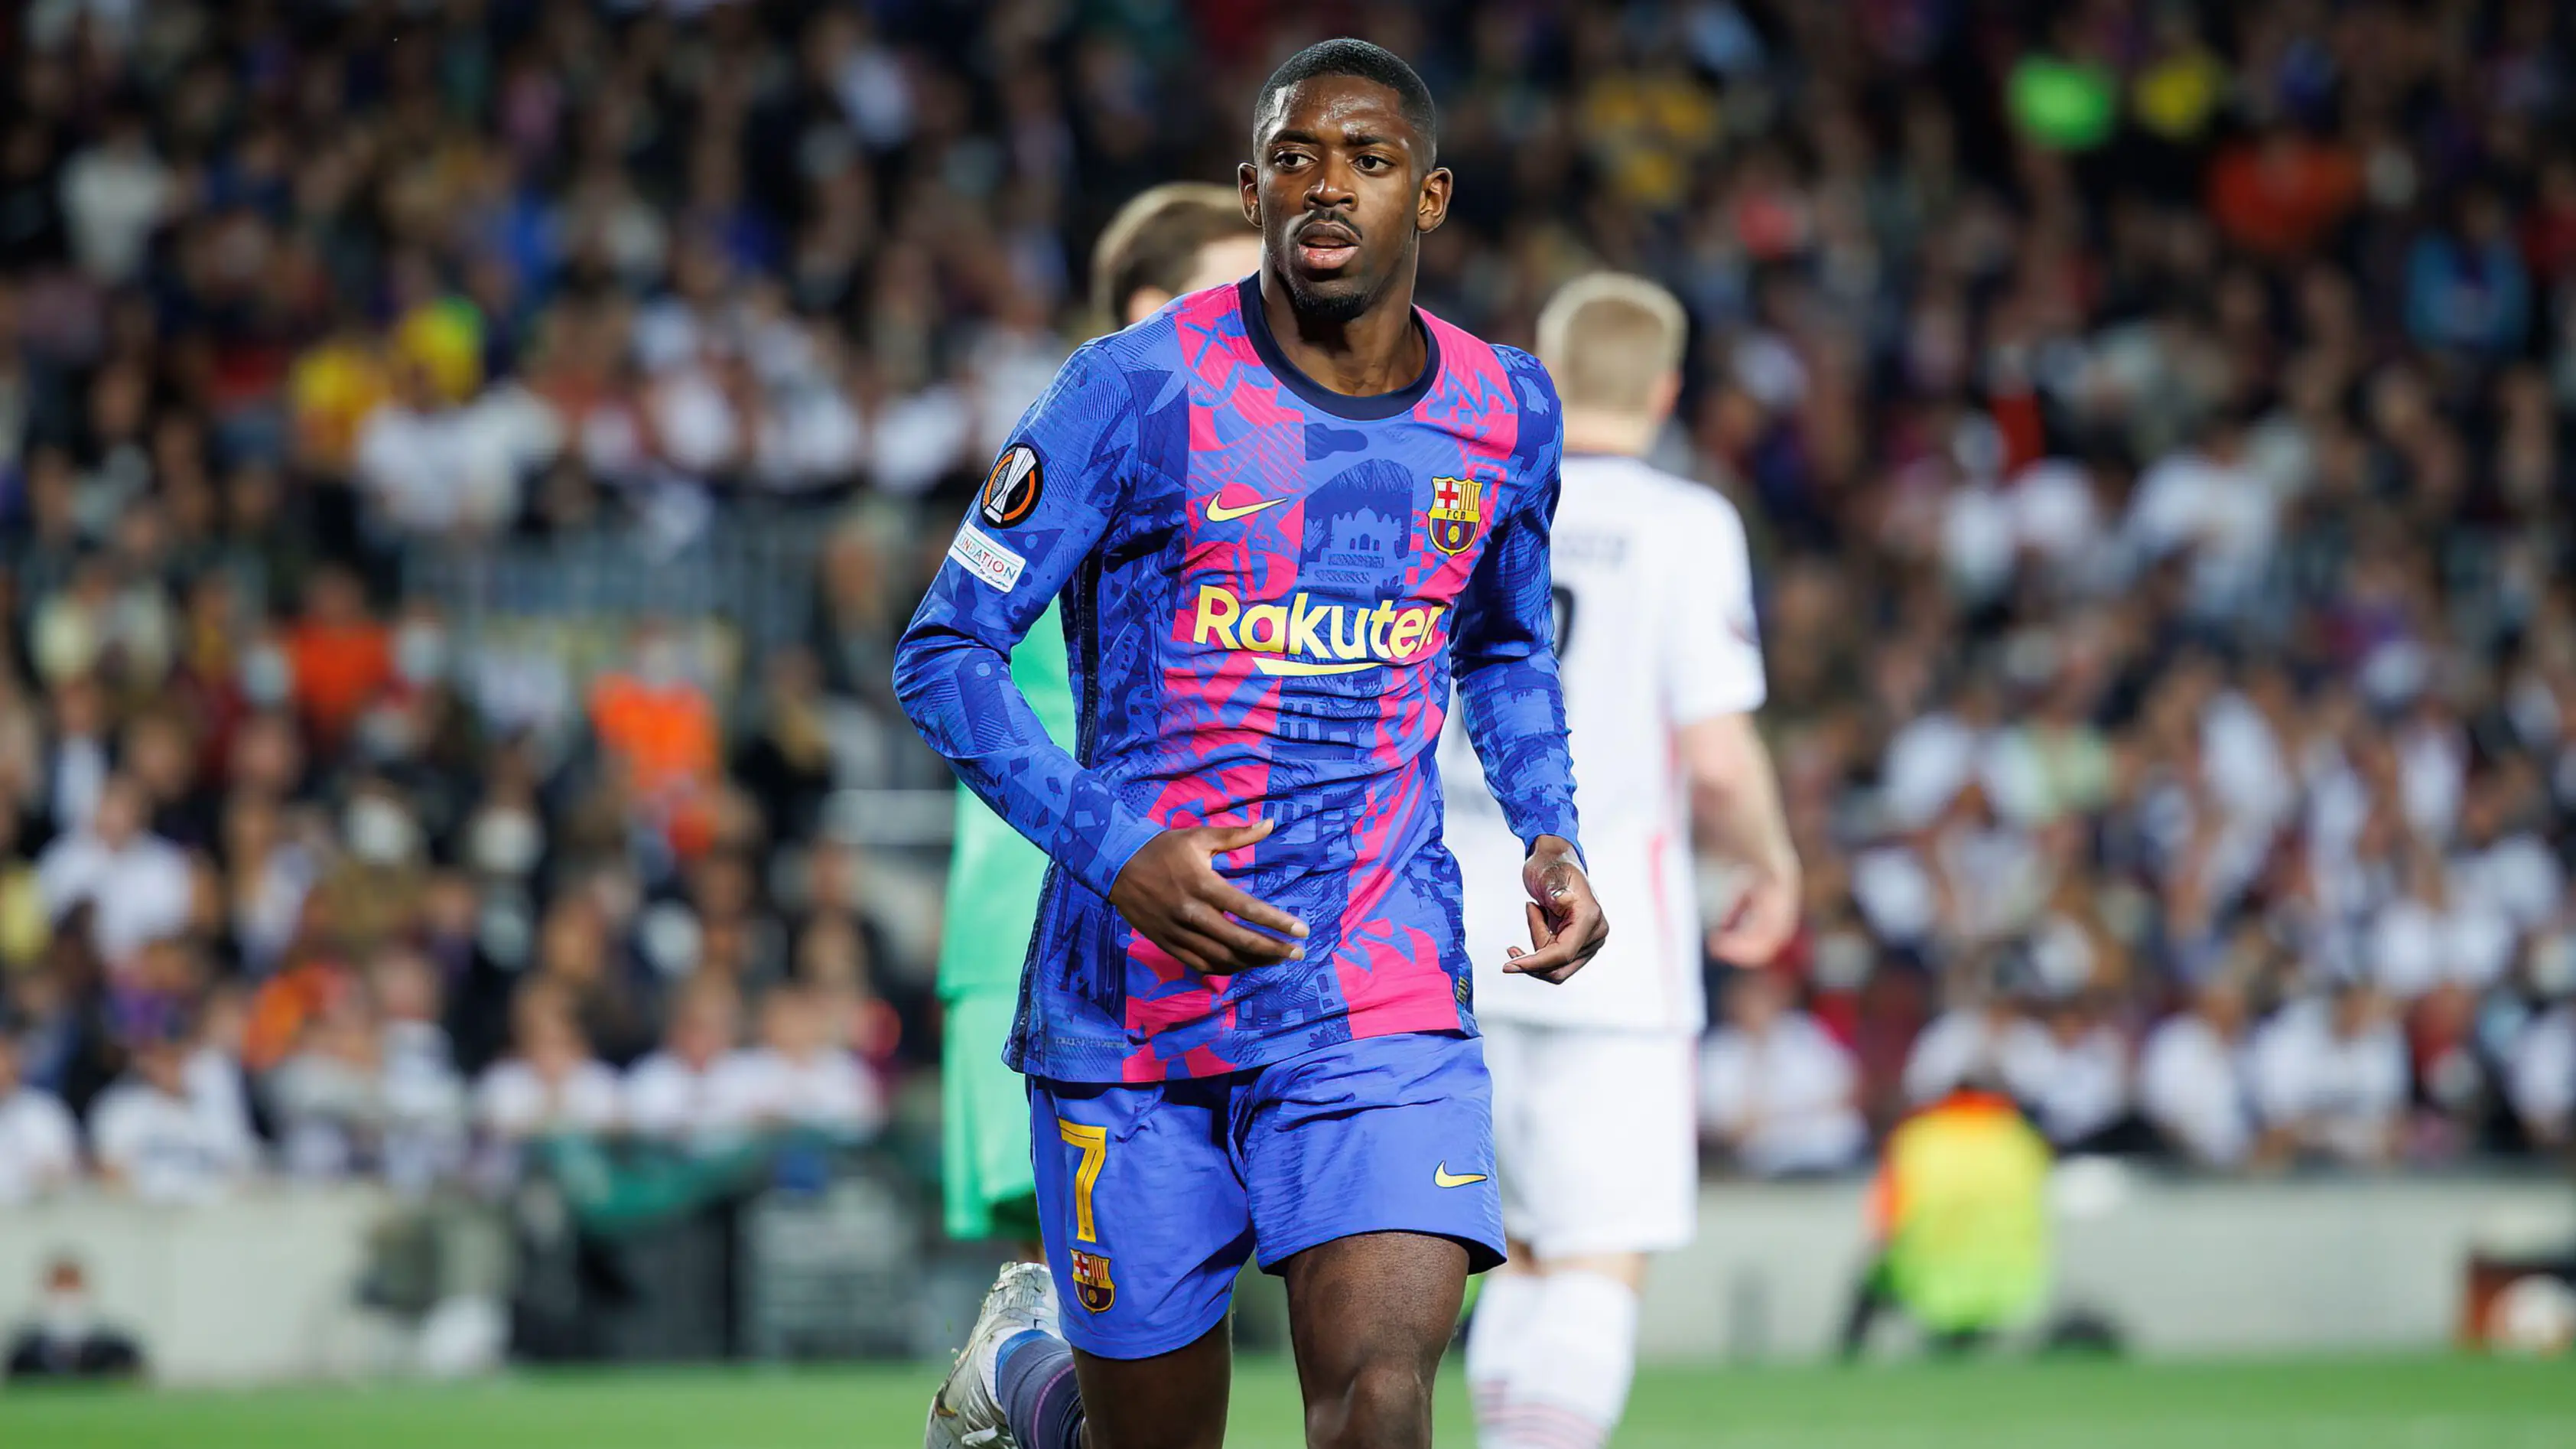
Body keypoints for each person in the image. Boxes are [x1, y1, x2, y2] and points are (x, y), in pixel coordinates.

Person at [898, 39, 1606, 1449]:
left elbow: (1508, 645)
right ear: (1253, 187)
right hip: (1135, 1005)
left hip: (1376, 991)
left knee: (1380, 1392)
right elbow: (945, 652)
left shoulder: (1507, 409)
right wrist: (1118, 852)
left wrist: (1548, 828)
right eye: (1295, 158)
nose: (1327, 187)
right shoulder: (1129, 390)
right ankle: (1032, 1387)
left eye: (1369, 159)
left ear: (1434, 196)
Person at [1438, 272, 1798, 1449]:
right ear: (1665, 387)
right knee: (1595, 1253)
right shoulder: (1686, 524)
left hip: (1449, 917)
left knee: (1519, 1249)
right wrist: (1771, 861)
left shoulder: (1468, 501)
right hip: (1611, 935)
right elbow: (1719, 752)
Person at [937, 181, 1260, 1250]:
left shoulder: (1248, 468)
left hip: (1189, 923)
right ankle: (996, 1391)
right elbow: (948, 657)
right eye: (1234, 289)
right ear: (1149, 304)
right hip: (1044, 920)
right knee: (1071, 1272)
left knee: (1158, 1286)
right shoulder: (1072, 456)